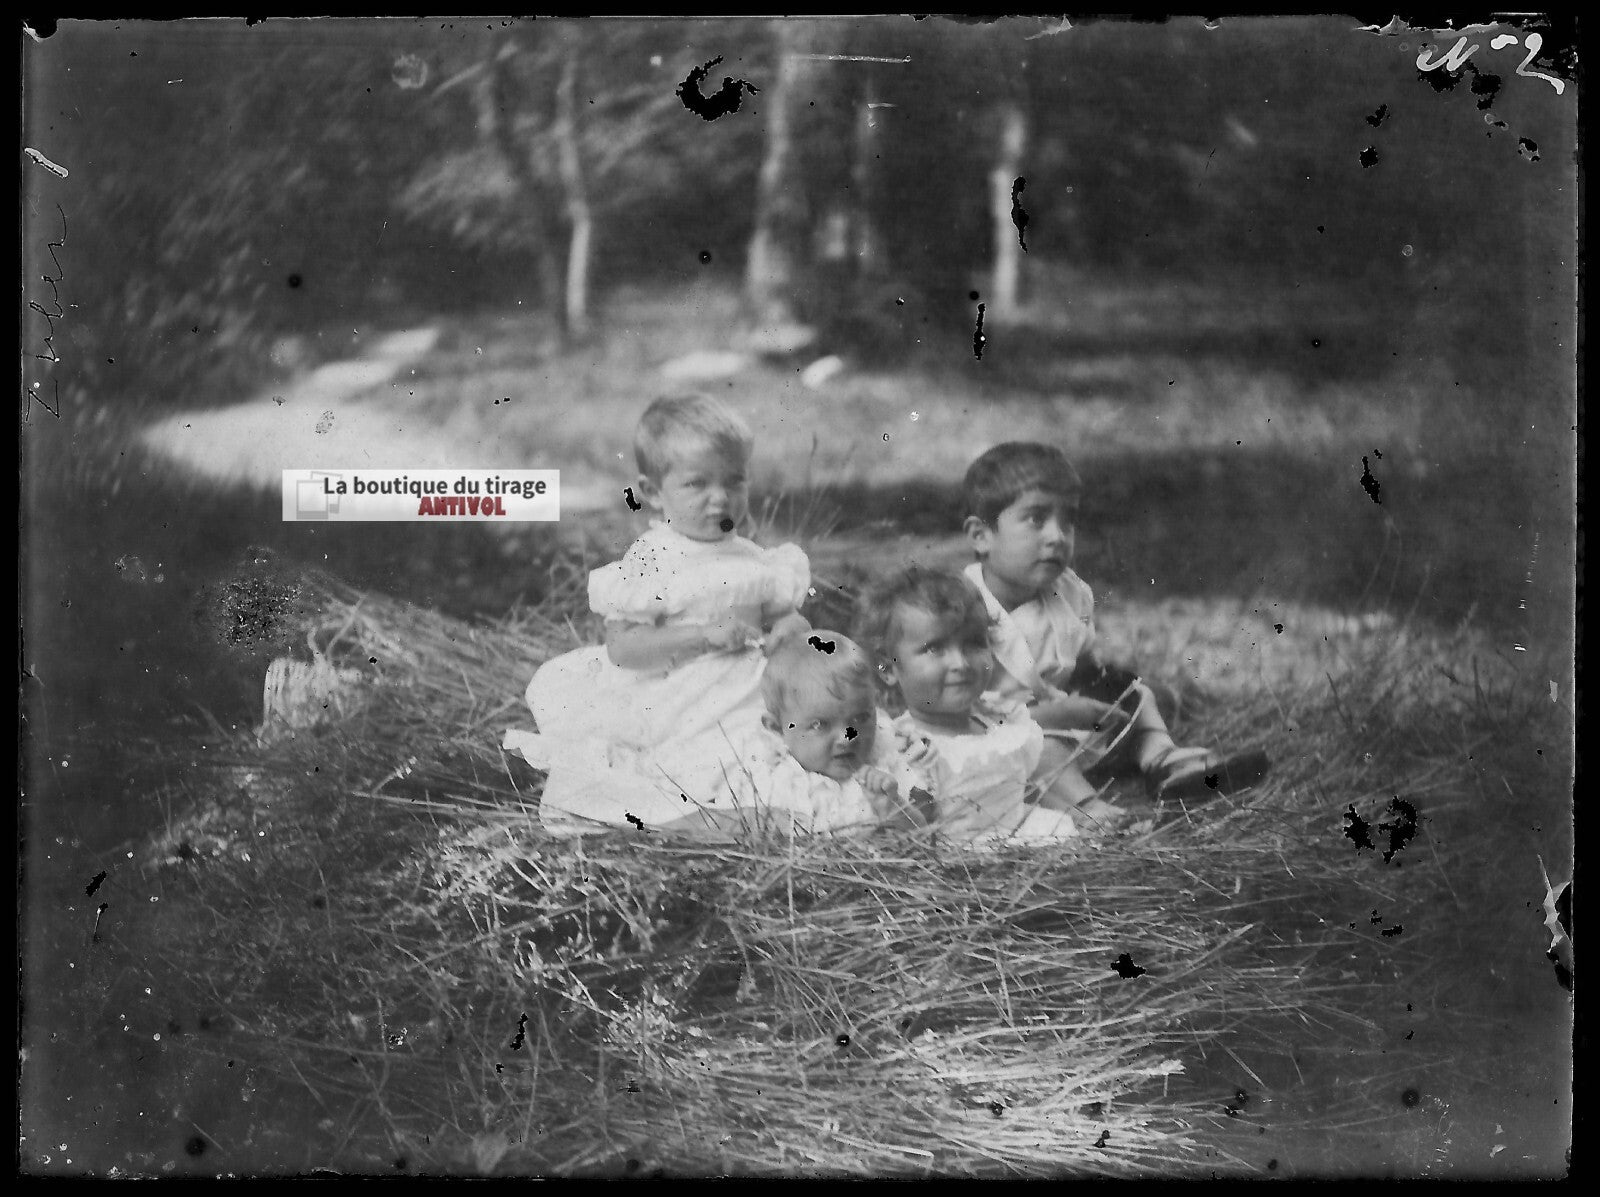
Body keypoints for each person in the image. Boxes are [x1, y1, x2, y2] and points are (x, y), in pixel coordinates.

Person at [503, 393, 812, 831]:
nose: (720, 500)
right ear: (652, 492)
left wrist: (789, 629)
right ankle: (717, 816)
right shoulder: (654, 561)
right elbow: (624, 648)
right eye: (697, 485)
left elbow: (784, 616)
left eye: (734, 482)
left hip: (751, 688)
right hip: (681, 693)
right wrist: (704, 636)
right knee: (715, 759)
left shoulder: (754, 558)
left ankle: (775, 805)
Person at [959, 442, 1270, 805]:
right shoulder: (963, 608)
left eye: (1068, 521)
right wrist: (1048, 716)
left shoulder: (1068, 593)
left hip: (1067, 719)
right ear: (981, 536)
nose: (1057, 537)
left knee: (1136, 693)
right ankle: (1089, 810)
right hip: (998, 737)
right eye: (1036, 519)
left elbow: (1081, 659)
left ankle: (1162, 758)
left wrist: (1102, 684)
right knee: (1037, 750)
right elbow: (963, 711)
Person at [853, 565, 1118, 843]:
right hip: (963, 851)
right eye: (935, 648)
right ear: (888, 667)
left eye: (973, 644)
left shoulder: (997, 720)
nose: (961, 663)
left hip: (1022, 831)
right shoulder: (907, 746)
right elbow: (913, 829)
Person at [658, 628, 937, 839]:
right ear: (777, 729)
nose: (848, 737)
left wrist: (894, 808)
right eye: (820, 725)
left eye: (861, 718)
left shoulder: (883, 767)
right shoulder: (767, 773)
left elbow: (922, 836)